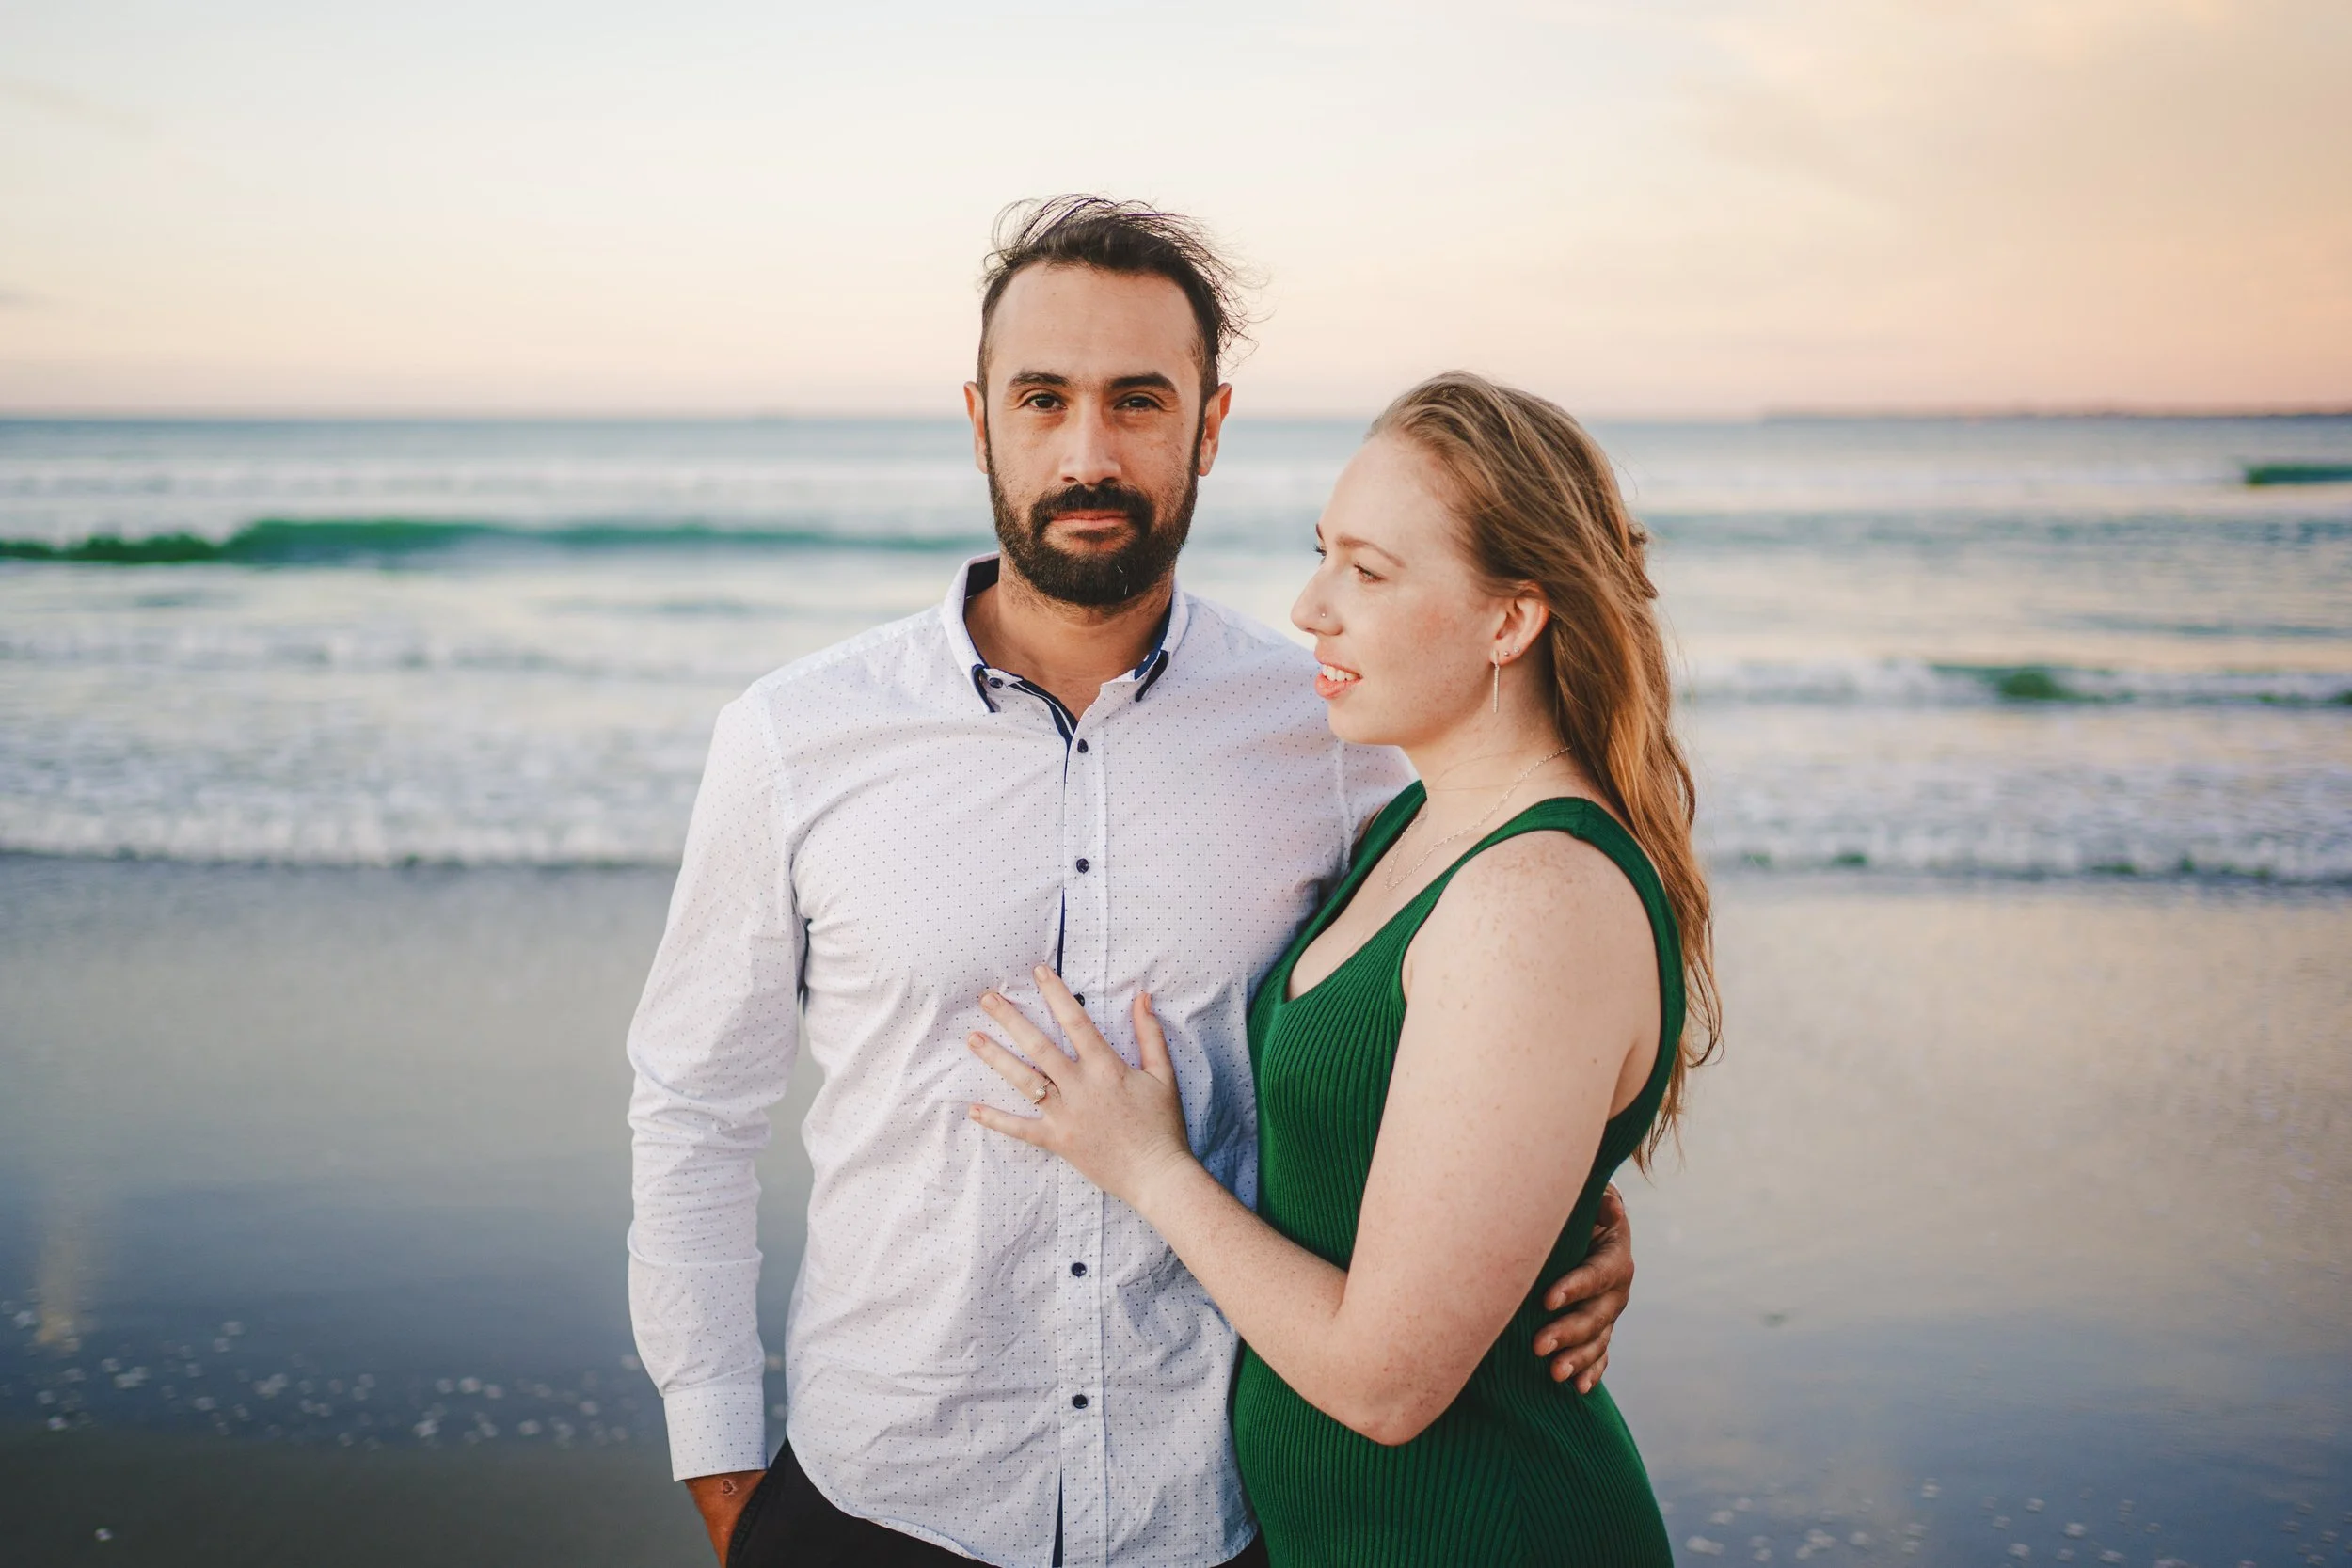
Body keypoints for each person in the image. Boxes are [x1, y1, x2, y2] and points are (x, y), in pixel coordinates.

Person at [627, 198, 1637, 1568]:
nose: (1089, 452)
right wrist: (720, 1455)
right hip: (882, 1498)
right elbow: (694, 1102)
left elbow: (1474, 1024)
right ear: (978, 417)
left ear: (1209, 426)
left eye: (1138, 402)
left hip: (1207, 1516)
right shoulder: (796, 738)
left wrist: (1570, 1213)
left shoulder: (1335, 734)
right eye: (1043, 399)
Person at [965, 370, 1719, 1565]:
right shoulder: (1408, 825)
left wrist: (1145, 1167)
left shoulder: (1536, 900)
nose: (1313, 606)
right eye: (1324, 555)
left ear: (1509, 618)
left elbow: (1383, 1386)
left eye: (1368, 572)